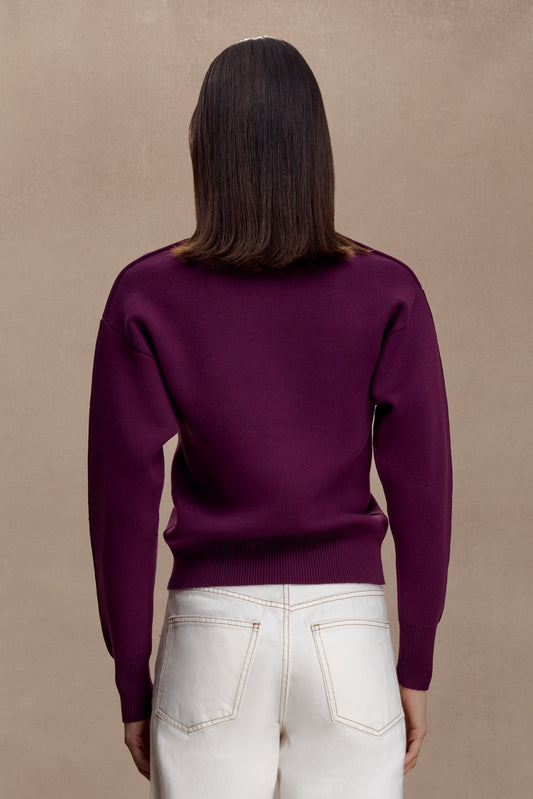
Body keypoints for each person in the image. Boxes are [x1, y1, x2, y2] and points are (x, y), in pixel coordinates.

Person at [87, 35, 453, 799]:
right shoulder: (387, 290)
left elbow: (121, 497)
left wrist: (131, 677)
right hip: (347, 634)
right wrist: (413, 661)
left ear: (204, 148)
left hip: (212, 636)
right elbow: (423, 487)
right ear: (315, 148)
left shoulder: (147, 294)